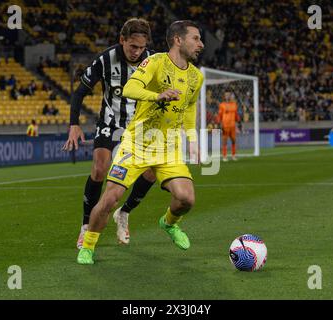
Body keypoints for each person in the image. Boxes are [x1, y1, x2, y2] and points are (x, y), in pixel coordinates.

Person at [77, 20, 204, 265]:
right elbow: (130, 88)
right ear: (178, 40)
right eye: (195, 38)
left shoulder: (195, 77)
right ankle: (88, 245)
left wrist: (192, 140)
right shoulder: (155, 62)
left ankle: (168, 223)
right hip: (137, 144)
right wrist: (157, 96)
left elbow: (189, 109)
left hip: (168, 148)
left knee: (186, 199)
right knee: (110, 199)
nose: (201, 43)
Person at [63, 18, 157, 248]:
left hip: (139, 125)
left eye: (141, 47)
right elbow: (79, 93)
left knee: (152, 171)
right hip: (110, 121)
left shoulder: (153, 61)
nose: (137, 52)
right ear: (121, 40)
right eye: (132, 46)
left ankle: (123, 213)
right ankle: (86, 226)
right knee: (99, 168)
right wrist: (74, 124)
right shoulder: (105, 59)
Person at [217, 91, 241, 161]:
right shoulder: (222, 105)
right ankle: (224, 156)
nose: (227, 96)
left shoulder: (234, 104)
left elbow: (236, 115)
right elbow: (219, 116)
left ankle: (233, 155)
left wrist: (239, 122)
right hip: (225, 125)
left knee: (233, 140)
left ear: (230, 96)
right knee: (224, 141)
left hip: (233, 125)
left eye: (228, 95)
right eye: (226, 95)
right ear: (224, 96)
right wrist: (219, 124)